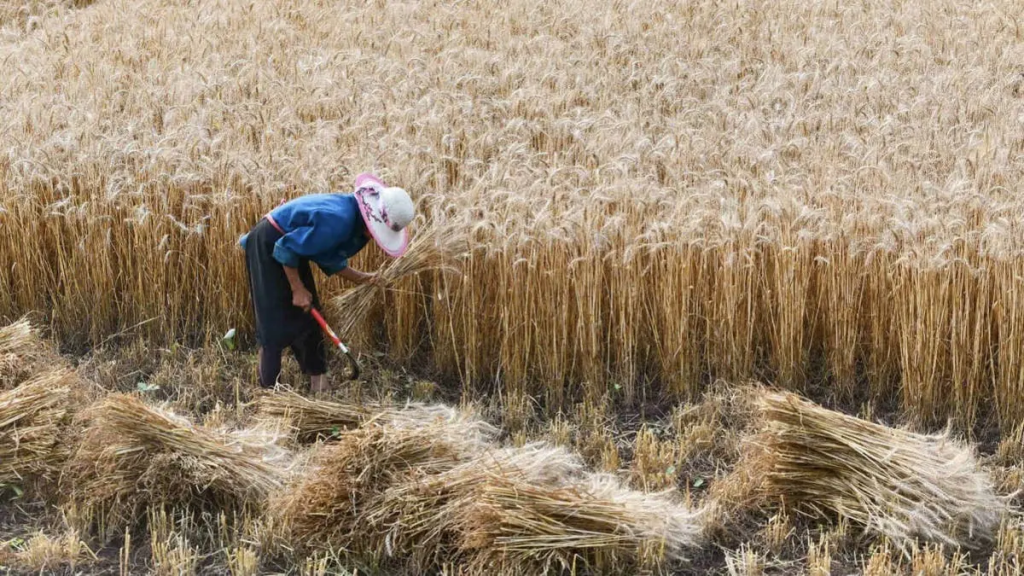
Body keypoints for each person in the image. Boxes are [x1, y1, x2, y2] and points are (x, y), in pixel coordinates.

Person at [239, 173, 414, 394]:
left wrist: (365, 279)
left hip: (290, 249)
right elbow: (285, 248)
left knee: (310, 315)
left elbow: (326, 256)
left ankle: (319, 384)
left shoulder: (351, 219)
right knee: (273, 323)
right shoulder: (339, 221)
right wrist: (297, 289)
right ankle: (269, 392)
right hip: (268, 244)